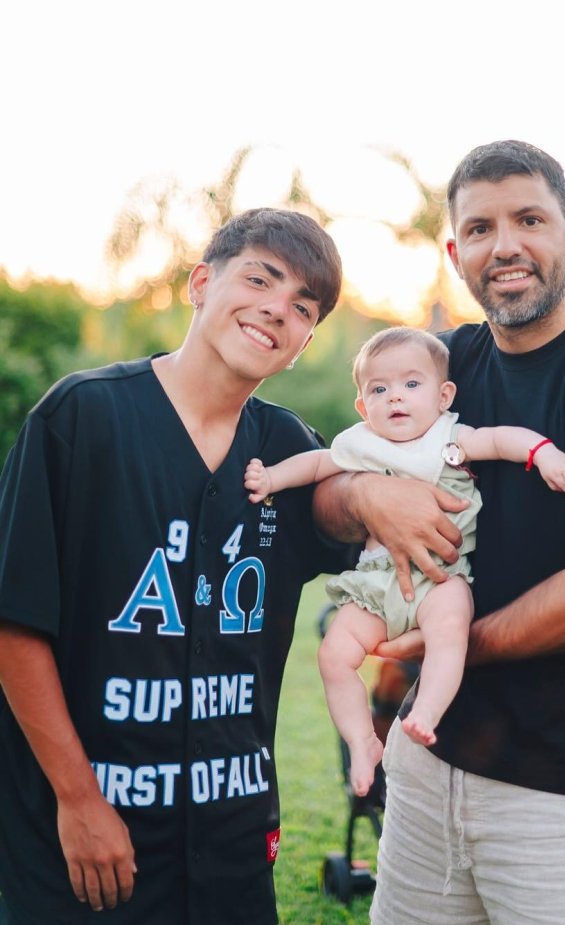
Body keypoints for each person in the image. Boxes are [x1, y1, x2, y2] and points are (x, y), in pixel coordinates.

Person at [313, 141, 565, 925]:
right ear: (457, 254)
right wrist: (370, 494)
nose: (505, 245)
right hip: (427, 767)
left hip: (560, 794)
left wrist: (450, 644)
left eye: (529, 220)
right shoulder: (438, 367)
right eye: (480, 228)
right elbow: (328, 495)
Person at [0, 208, 346, 924]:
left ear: (304, 343)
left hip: (233, 844)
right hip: (89, 842)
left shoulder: (291, 451)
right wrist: (78, 799)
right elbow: (14, 624)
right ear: (200, 283)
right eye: (260, 280)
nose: (277, 309)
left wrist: (383, 493)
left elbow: (357, 516)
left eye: (302, 307)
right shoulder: (82, 418)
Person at [244, 326, 565, 796]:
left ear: (444, 396)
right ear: (363, 406)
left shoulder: (450, 438)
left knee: (450, 630)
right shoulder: (362, 443)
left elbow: (501, 440)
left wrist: (542, 454)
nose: (395, 397)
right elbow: (318, 464)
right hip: (376, 584)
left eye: (411, 384)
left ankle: (426, 711)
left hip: (440, 578)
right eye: (379, 390)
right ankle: (362, 740)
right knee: (334, 655)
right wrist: (272, 478)